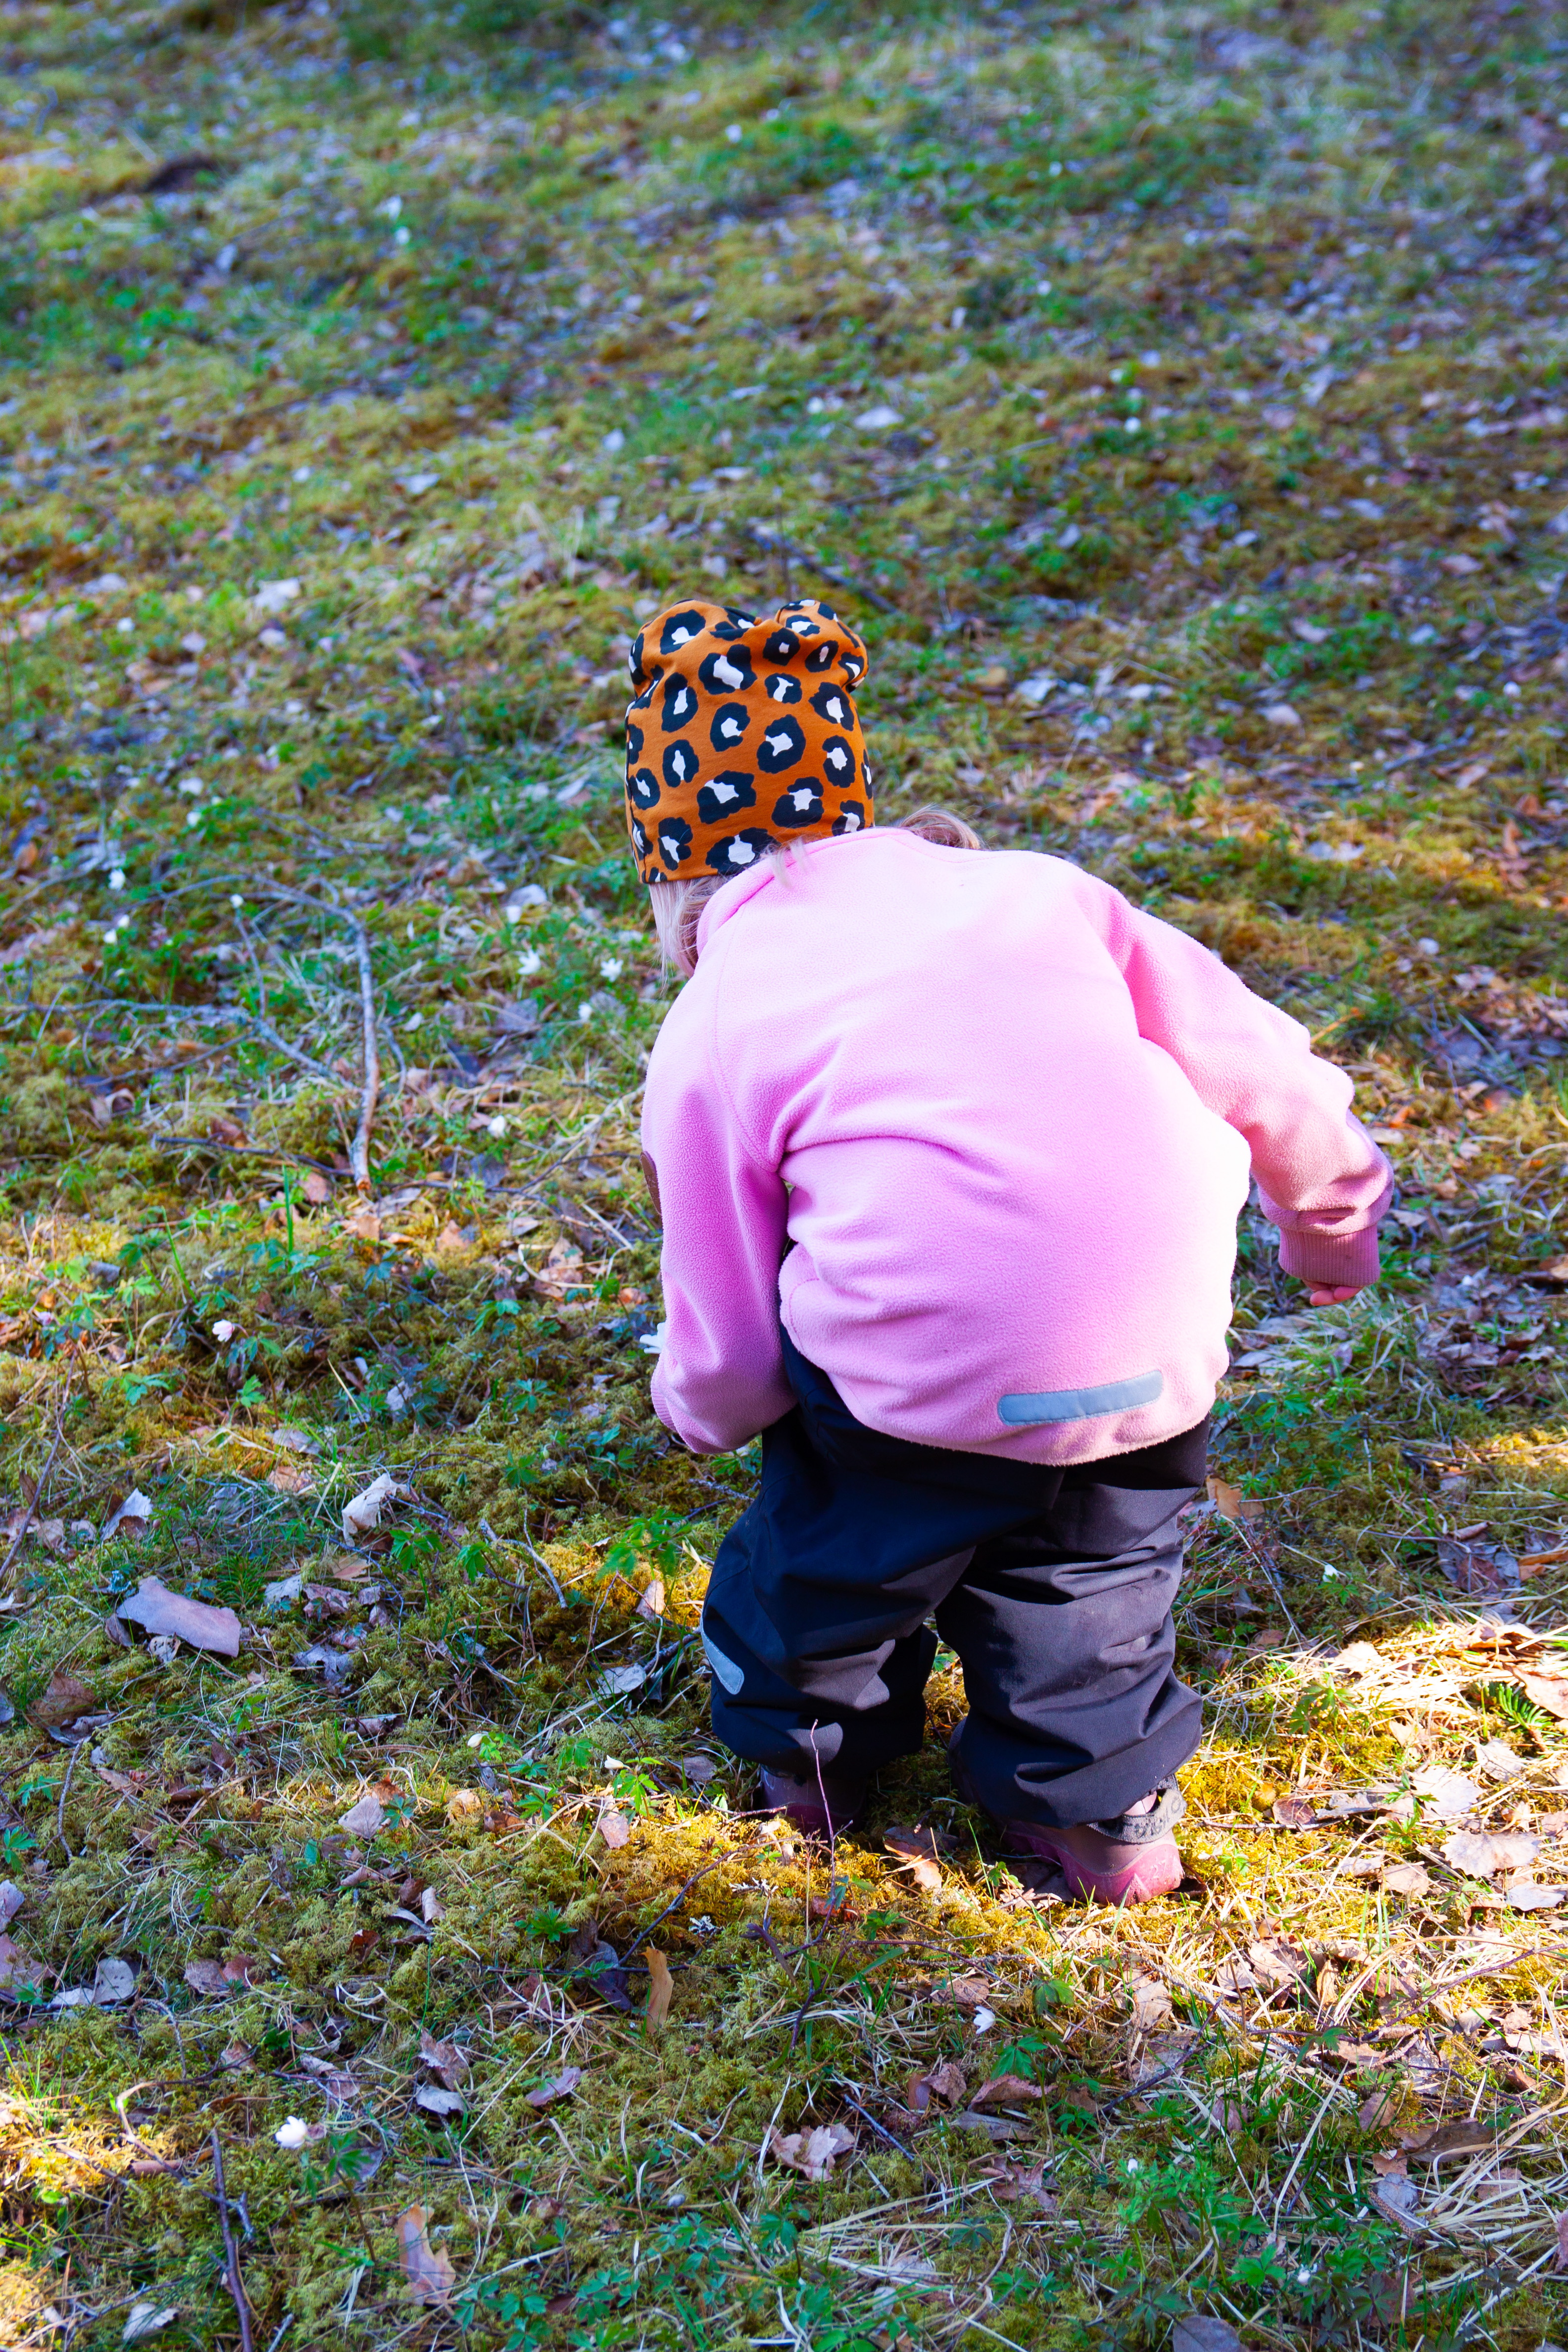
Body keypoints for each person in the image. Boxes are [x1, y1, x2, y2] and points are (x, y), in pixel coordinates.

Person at [626, 595, 1389, 1906]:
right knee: (1093, 1590)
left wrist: (711, 1414)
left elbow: (730, 1318)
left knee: (820, 1572)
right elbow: (1267, 1070)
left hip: (915, 1399)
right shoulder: (1050, 897)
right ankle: (1107, 1823)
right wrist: (1334, 1225)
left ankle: (812, 1766)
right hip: (1145, 1364)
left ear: (676, 879)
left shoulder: (718, 1016)